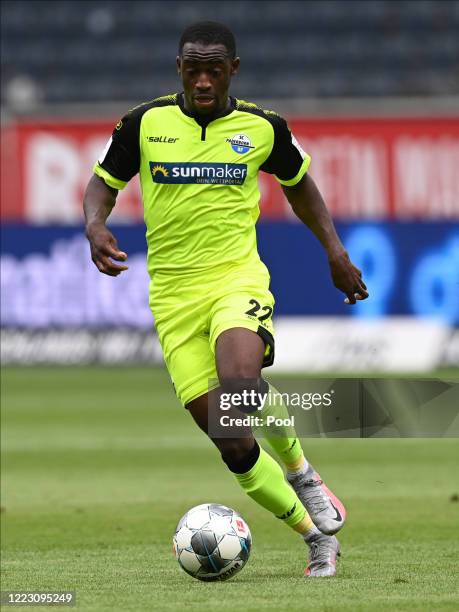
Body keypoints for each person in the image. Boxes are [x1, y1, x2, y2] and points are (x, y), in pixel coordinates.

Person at [83, 21, 368, 578]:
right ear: (179, 68)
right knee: (233, 443)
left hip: (236, 279)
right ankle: (316, 539)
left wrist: (334, 252)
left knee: (240, 384)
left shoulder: (263, 128)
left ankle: (302, 473)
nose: (204, 80)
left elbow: (300, 184)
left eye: (215, 69)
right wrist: (95, 224)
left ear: (233, 69)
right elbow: (103, 182)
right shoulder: (144, 124)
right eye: (194, 69)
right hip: (172, 296)